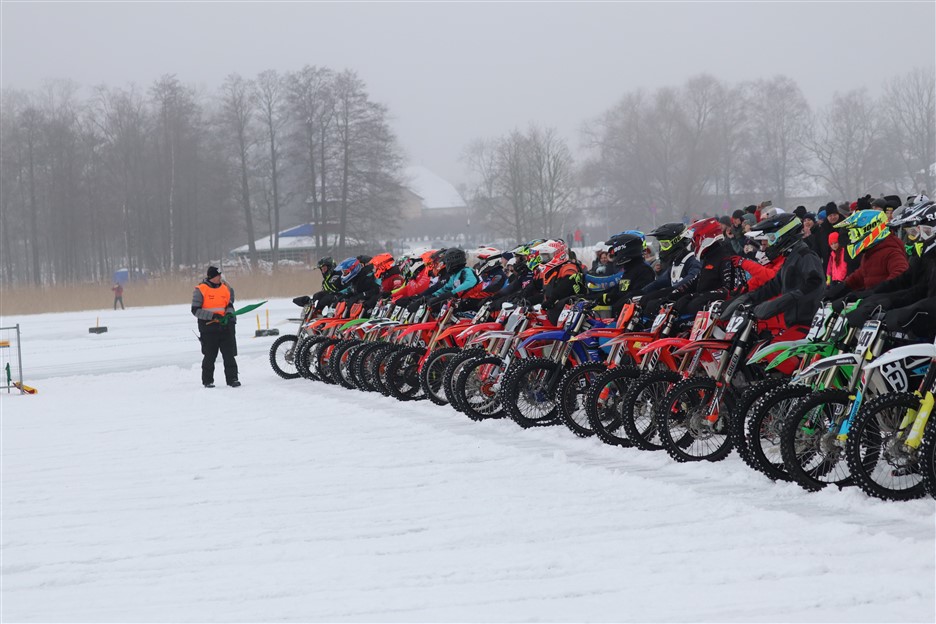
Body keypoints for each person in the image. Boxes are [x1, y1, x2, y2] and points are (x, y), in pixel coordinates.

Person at [191, 266, 239, 388]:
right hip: (208, 329)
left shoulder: (225, 289)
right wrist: (212, 316)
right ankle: (207, 381)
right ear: (212, 277)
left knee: (229, 355)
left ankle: (232, 379)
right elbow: (195, 310)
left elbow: (229, 304)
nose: (220, 277)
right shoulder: (200, 290)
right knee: (210, 356)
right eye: (218, 275)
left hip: (224, 327)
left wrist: (228, 313)